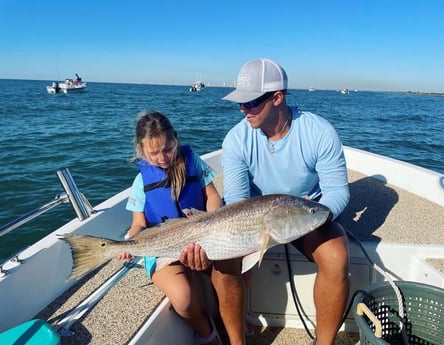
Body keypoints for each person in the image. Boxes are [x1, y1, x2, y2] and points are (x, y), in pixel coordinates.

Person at [182, 58, 350, 345]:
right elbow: (236, 201)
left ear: (277, 98)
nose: (243, 109)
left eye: (251, 103)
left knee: (337, 256)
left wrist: (312, 219)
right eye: (241, 103)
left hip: (303, 216)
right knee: (223, 267)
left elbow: (337, 191)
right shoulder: (236, 140)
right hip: (251, 222)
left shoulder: (320, 132)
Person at [118, 111, 223, 345]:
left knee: (233, 271)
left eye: (167, 149)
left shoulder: (193, 162)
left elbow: (213, 197)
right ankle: (207, 333)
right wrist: (130, 244)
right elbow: (138, 224)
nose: (162, 158)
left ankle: (234, 316)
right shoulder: (140, 183)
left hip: (203, 239)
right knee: (183, 299)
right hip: (163, 248)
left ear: (175, 139)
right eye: (153, 153)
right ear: (141, 151)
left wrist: (211, 222)